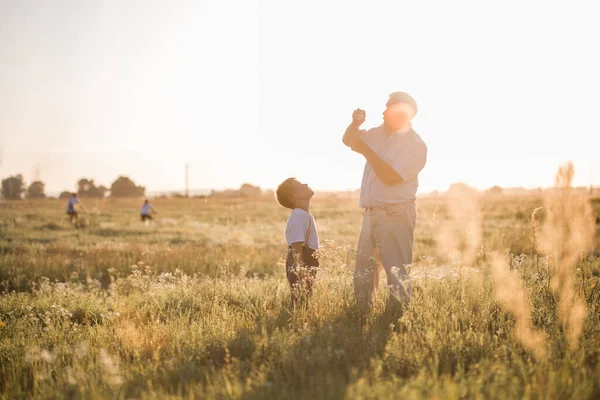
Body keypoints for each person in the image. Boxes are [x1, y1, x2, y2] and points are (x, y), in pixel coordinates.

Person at [342, 91, 427, 313]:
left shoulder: (415, 145)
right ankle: (361, 312)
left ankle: (396, 318)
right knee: (363, 271)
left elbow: (390, 177)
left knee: (396, 271)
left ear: (403, 113)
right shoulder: (377, 134)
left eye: (389, 107)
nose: (383, 111)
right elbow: (349, 140)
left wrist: (366, 151)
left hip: (396, 214)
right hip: (371, 213)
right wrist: (354, 123)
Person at [275, 178, 320, 309]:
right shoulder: (298, 215)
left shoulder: (303, 214)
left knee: (306, 294)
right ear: (297, 195)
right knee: (300, 296)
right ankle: (297, 321)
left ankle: (301, 319)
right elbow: (296, 245)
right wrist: (300, 269)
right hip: (302, 260)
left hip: (307, 258)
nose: (306, 183)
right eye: (300, 185)